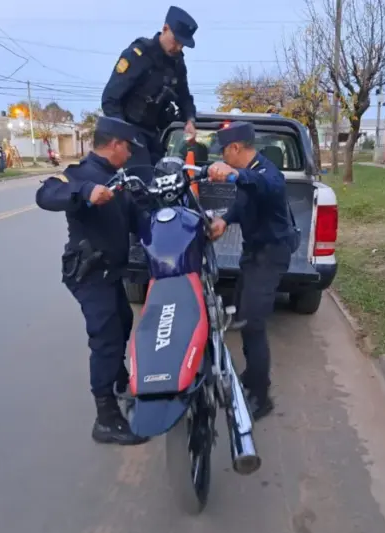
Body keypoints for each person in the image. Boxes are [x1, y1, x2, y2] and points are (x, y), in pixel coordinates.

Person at [35, 116, 148, 446]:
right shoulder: (79, 175)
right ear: (114, 144)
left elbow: (138, 220)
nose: (130, 154)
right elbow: (47, 194)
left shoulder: (119, 178)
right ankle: (106, 419)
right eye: (128, 148)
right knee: (107, 338)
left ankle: (120, 381)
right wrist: (85, 192)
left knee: (123, 321)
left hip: (111, 272)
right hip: (88, 274)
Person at [207, 121, 296, 421]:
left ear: (235, 148)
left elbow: (266, 185)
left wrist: (234, 174)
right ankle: (250, 373)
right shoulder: (249, 175)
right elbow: (244, 202)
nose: (222, 157)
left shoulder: (266, 172)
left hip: (271, 254)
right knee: (244, 314)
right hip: (254, 251)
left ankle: (261, 395)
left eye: (223, 153)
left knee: (254, 322)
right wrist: (225, 220)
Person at [101, 6, 198, 183]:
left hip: (155, 134)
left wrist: (190, 120)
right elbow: (110, 99)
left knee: (167, 180)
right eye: (176, 40)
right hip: (131, 132)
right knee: (143, 185)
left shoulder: (177, 63)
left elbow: (184, 96)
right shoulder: (138, 54)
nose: (178, 47)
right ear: (165, 28)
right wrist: (124, 136)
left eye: (182, 44)